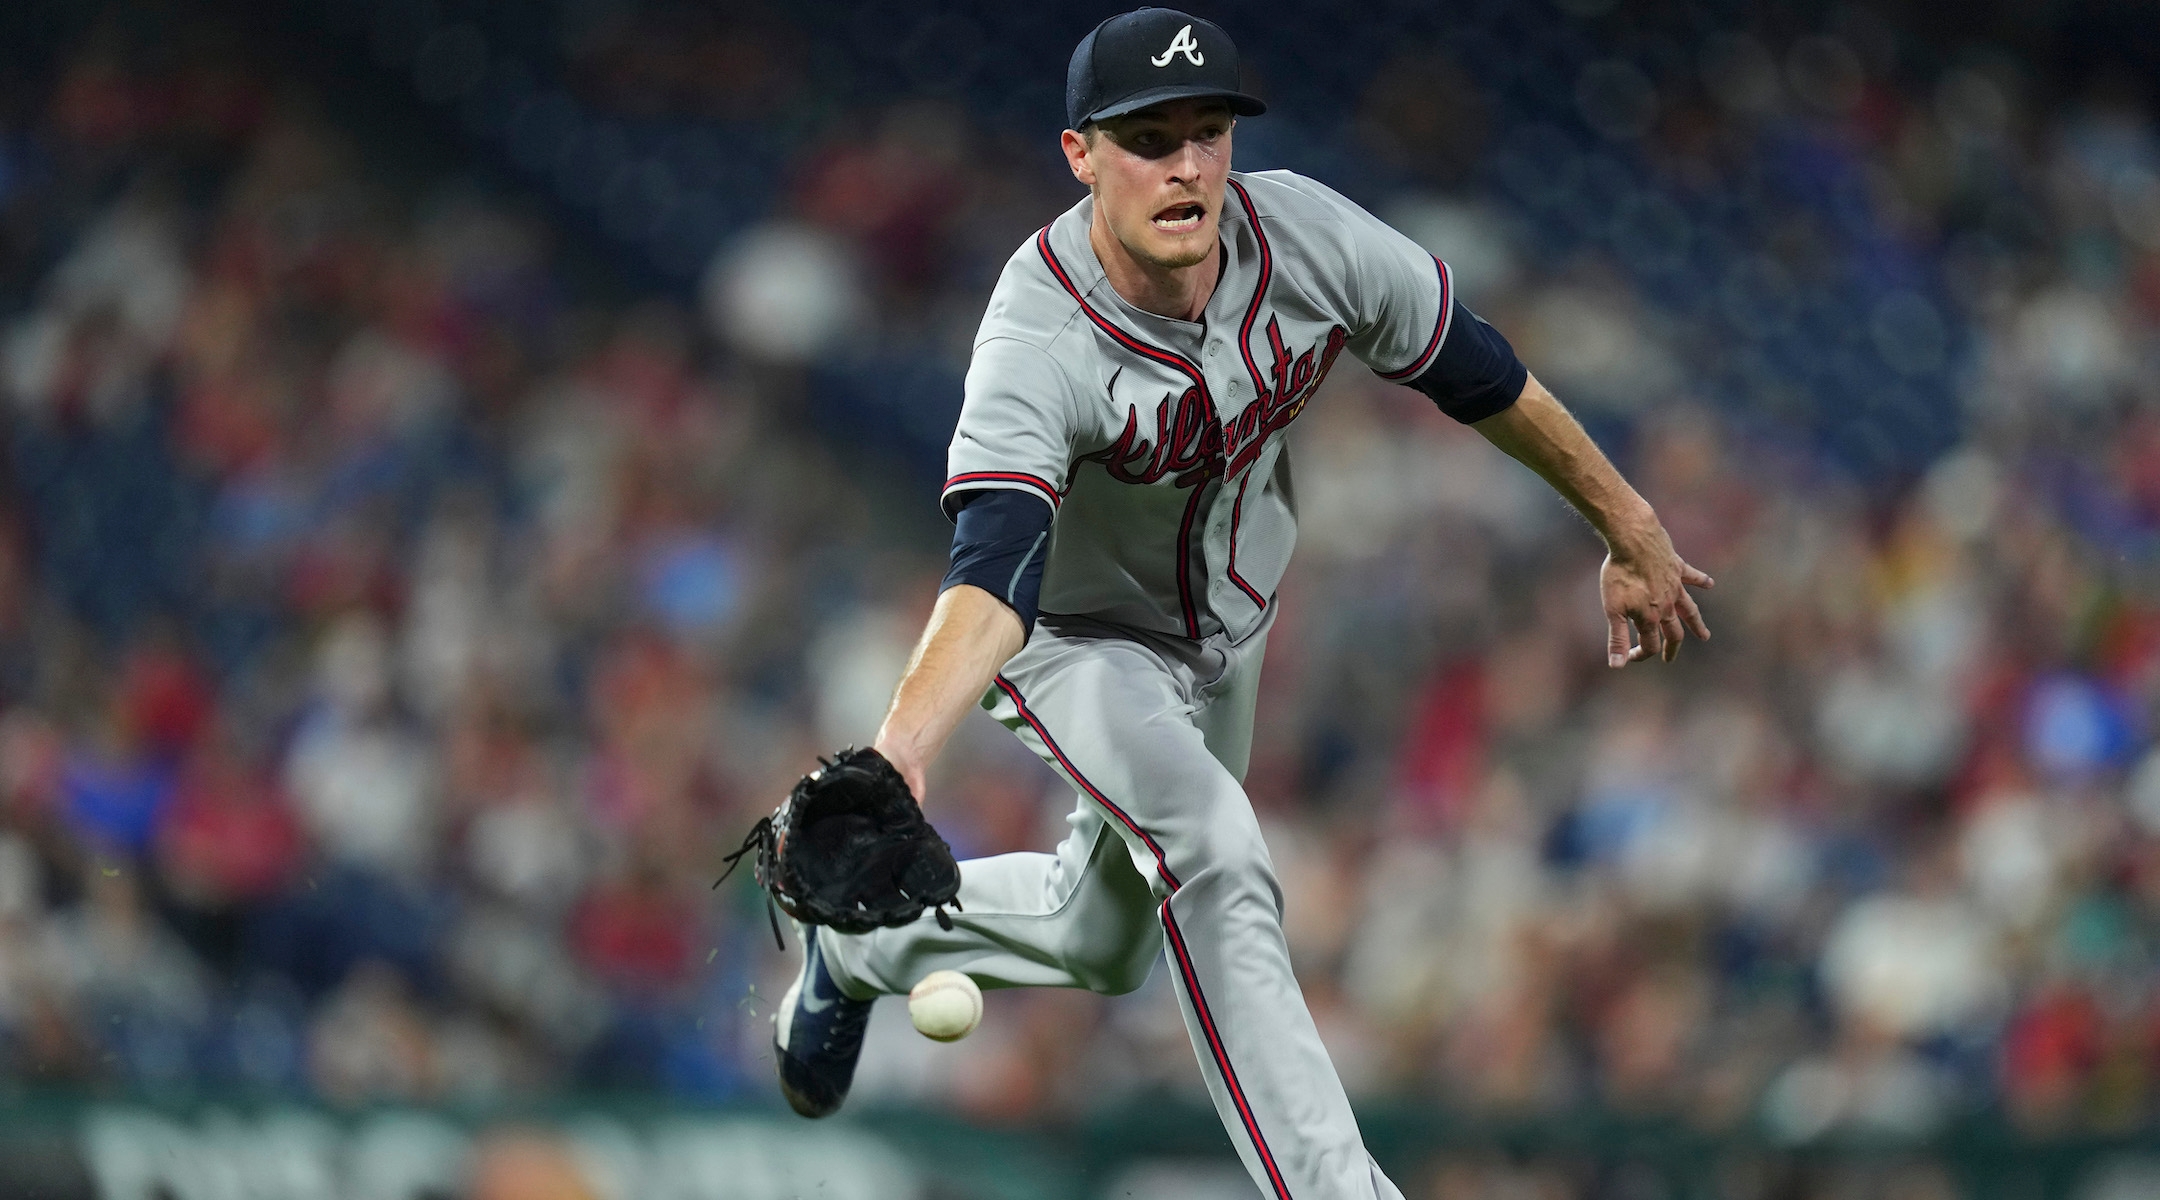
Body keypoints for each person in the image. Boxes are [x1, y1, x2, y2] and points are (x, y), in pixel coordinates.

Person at [771, 8, 1713, 1198]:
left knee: (1098, 939)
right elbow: (993, 566)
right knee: (1214, 851)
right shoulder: (1036, 333)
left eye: (1206, 133)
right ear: (1080, 155)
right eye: (1148, 138)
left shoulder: (1306, 235)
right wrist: (905, 748)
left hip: (1231, 625)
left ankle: (859, 952)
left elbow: (1478, 369)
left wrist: (1627, 523)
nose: (1186, 167)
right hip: (1073, 637)